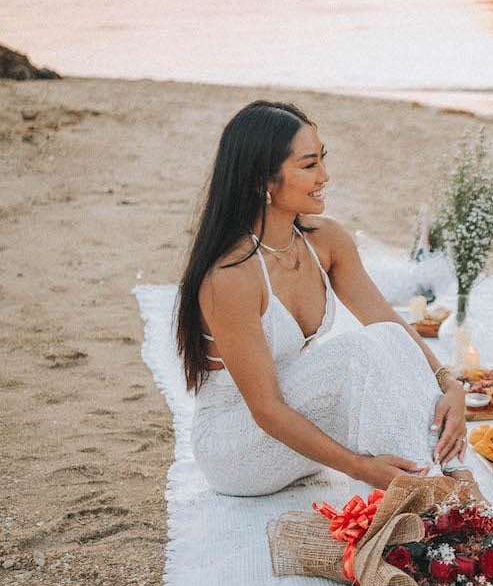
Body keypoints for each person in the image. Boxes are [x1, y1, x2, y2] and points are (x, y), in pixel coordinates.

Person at [176, 100, 467, 496]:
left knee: (385, 342)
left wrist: (448, 383)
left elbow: (387, 322)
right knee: (354, 354)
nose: (325, 176)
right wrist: (363, 468)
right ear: (263, 181)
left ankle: (445, 482)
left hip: (296, 429)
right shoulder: (232, 277)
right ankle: (433, 497)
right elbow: (266, 411)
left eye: (322, 160)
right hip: (237, 446)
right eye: (309, 165)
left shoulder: (325, 239)